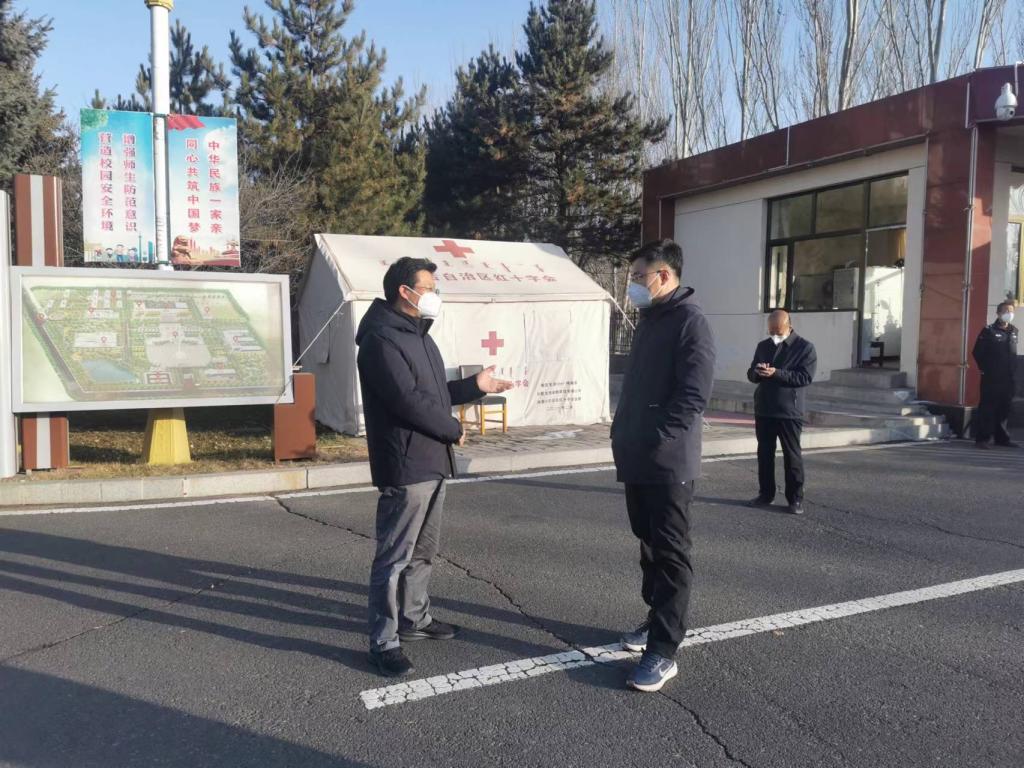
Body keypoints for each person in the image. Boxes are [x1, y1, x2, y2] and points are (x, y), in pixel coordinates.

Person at [356, 256, 513, 677]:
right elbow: (406, 400)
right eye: (429, 288)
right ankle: (383, 641)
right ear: (405, 292)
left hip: (431, 459)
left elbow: (433, 393)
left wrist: (474, 387)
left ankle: (414, 619)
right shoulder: (380, 339)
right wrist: (451, 428)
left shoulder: (418, 334)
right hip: (405, 462)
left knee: (423, 551)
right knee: (394, 558)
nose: (435, 295)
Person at [611, 239, 715, 693]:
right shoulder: (650, 320)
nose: (633, 284)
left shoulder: (690, 322)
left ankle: (664, 649)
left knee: (671, 552)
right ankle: (655, 618)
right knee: (648, 544)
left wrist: (656, 438)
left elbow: (693, 395)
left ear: (665, 276)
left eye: (638, 276)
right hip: (637, 456)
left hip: (668, 461)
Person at [746, 309, 817, 515]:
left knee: (792, 456)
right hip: (764, 408)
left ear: (789, 327)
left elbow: (804, 377)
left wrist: (776, 373)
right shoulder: (763, 346)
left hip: (789, 411)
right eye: (771, 332)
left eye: (778, 332)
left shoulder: (805, 348)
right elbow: (751, 374)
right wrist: (757, 372)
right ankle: (765, 494)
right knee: (764, 454)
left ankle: (795, 499)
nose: (775, 336)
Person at [972, 300, 1019, 449]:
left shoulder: (1014, 331)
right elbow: (977, 352)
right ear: (998, 313)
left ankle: (1002, 438)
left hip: (1008, 377)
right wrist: (986, 369)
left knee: (1004, 407)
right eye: (1005, 311)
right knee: (988, 407)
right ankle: (982, 439)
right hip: (991, 378)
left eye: (1011, 311)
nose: (1009, 314)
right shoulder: (989, 331)